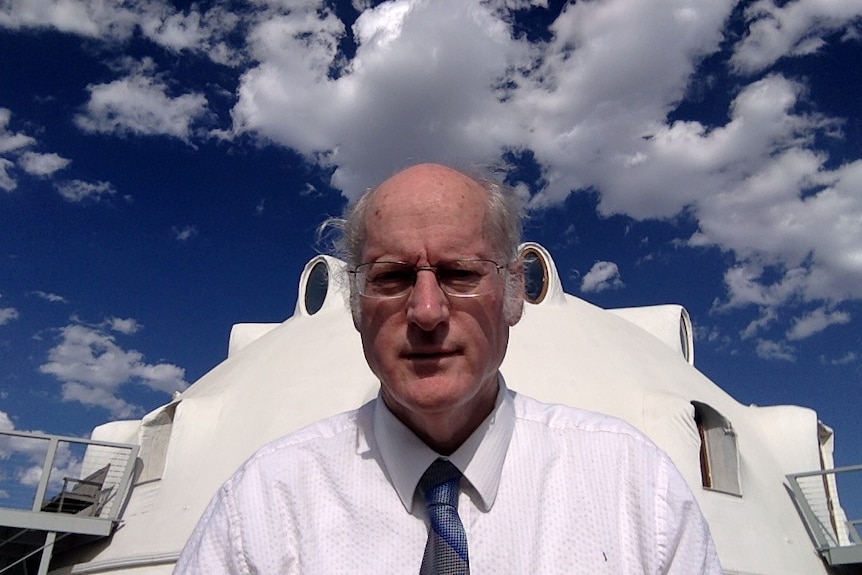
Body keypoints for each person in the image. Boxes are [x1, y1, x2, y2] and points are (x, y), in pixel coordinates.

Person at [175, 163, 722, 574]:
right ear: (356, 304)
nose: (427, 310)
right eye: (391, 277)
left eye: (461, 273)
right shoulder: (264, 504)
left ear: (513, 294)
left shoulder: (633, 487)